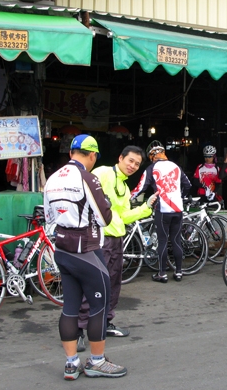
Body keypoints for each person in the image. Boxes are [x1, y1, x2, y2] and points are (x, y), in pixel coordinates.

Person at [43, 134, 127, 380]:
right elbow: (104, 218)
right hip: (87, 250)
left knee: (69, 308)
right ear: (92, 155)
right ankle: (96, 362)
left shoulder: (52, 178)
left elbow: (49, 217)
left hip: (62, 250)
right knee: (98, 307)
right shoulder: (88, 178)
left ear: (71, 153)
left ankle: (71, 364)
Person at [76, 146, 158, 351]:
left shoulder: (125, 187)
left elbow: (123, 217)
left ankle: (106, 322)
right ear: (120, 158)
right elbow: (85, 197)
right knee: (94, 285)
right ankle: (78, 329)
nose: (133, 166)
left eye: (137, 164)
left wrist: (146, 207)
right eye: (130, 161)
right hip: (99, 239)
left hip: (117, 239)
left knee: (113, 284)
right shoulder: (102, 172)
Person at [131, 140, 191, 283]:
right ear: (163, 153)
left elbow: (140, 188)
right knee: (176, 240)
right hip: (178, 209)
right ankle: (178, 272)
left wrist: (128, 197)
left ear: (152, 156)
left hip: (163, 209)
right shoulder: (176, 166)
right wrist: (180, 197)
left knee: (163, 241)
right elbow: (187, 184)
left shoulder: (152, 168)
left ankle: (162, 273)